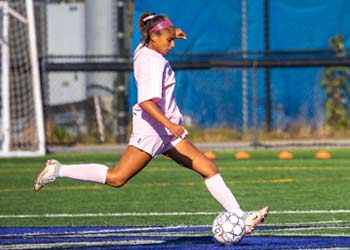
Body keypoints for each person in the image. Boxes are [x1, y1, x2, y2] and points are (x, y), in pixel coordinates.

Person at [34, 12, 269, 234]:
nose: (172, 44)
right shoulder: (152, 62)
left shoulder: (145, 46)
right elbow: (146, 102)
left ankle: (240, 216)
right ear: (153, 38)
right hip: (153, 131)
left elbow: (152, 27)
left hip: (166, 133)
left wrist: (172, 31)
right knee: (117, 178)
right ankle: (58, 169)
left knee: (209, 169)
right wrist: (171, 125)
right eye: (168, 39)